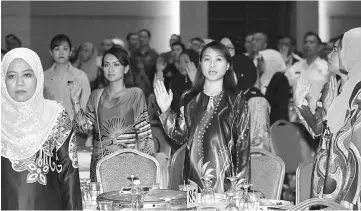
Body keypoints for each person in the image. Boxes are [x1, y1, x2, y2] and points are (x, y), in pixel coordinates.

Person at [154, 41, 250, 193]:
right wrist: (165, 110)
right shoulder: (189, 97)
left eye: (218, 59)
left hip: (225, 182)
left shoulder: (236, 98)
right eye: (207, 59)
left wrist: (240, 189)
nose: (212, 65)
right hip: (192, 177)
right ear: (200, 64)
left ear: (227, 66)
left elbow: (242, 146)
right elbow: (180, 136)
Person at [1, 48, 82, 210]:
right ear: (3, 80)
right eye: (11, 76)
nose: (19, 83)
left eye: (27, 75)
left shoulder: (55, 115)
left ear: (38, 76)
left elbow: (69, 174)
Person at [295, 27, 361, 210]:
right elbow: (318, 131)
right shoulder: (330, 87)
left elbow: (353, 141)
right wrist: (302, 104)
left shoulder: (359, 92)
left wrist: (331, 111)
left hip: (348, 173)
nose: (329, 54)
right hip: (325, 166)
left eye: (336, 49)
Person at [69, 46, 155, 182]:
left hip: (128, 168)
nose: (110, 69)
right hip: (99, 167)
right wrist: (75, 102)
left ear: (126, 69)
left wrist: (147, 173)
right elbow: (83, 129)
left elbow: (145, 136)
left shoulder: (135, 94)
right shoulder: (96, 95)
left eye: (116, 65)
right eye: (106, 65)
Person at [44, 34, 91, 120]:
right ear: (51, 52)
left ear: (70, 52)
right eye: (57, 49)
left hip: (75, 129)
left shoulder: (80, 76)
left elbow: (86, 107)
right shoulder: (44, 77)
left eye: (65, 49)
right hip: (51, 128)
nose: (61, 53)